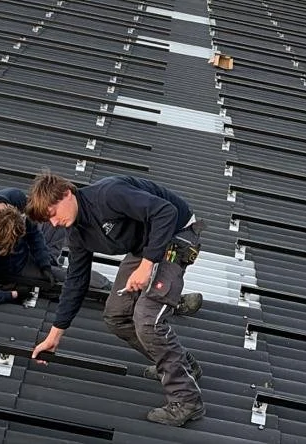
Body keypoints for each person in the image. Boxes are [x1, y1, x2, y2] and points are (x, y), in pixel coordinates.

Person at [26, 172, 207, 427]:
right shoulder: (77, 233)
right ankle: (180, 365)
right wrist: (54, 336)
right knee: (116, 314)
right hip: (146, 243)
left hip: (176, 232)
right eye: (48, 220)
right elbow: (76, 282)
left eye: (53, 213)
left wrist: (146, 266)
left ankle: (187, 400)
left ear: (66, 193)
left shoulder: (108, 195)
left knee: (147, 320)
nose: (54, 223)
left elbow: (165, 213)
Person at [0, 188, 63, 307]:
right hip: (15, 268)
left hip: (26, 251)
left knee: (57, 211)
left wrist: (44, 263)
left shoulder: (15, 197)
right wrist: (13, 294)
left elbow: (33, 232)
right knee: (68, 278)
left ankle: (49, 262)